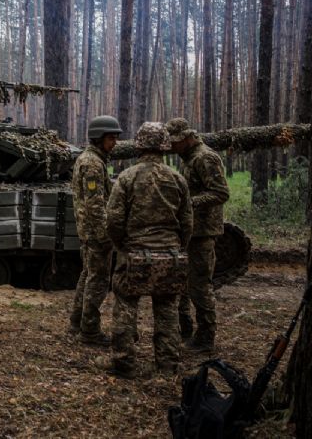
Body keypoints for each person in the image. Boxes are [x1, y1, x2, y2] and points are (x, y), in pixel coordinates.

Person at [98, 122, 193, 378]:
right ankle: (168, 366)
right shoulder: (177, 179)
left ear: (139, 145)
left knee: (126, 308)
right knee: (167, 310)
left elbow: (114, 220)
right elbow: (187, 223)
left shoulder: (127, 177)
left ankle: (124, 363)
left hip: (135, 255)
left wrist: (122, 246)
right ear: (164, 145)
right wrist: (177, 247)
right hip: (170, 255)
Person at [166, 117, 230, 353]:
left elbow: (220, 192)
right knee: (184, 282)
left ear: (186, 138)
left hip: (203, 232)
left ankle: (206, 337)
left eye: (175, 142)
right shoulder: (190, 158)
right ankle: (186, 328)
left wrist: (189, 203)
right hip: (192, 231)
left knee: (200, 285)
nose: (172, 146)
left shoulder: (205, 157)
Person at [69, 115, 122, 346]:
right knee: (98, 280)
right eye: (111, 138)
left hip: (89, 231)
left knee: (87, 275)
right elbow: (94, 203)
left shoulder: (93, 159)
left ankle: (76, 321)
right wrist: (104, 234)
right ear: (99, 138)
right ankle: (89, 330)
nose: (115, 143)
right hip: (95, 232)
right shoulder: (92, 163)